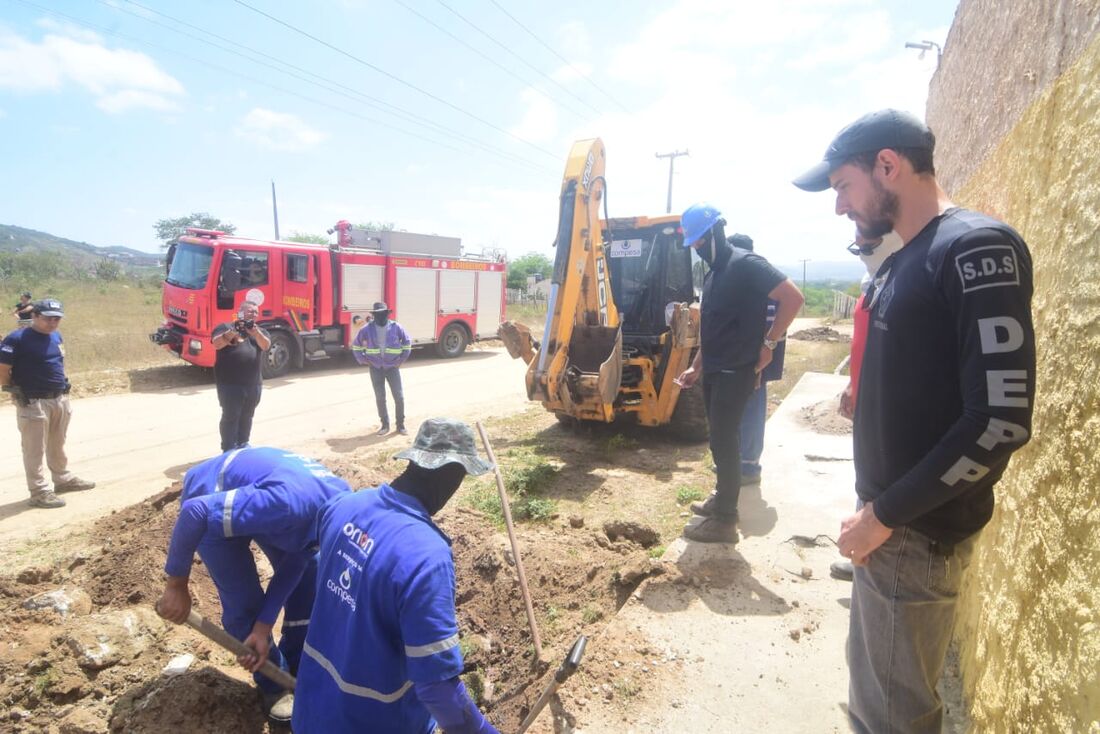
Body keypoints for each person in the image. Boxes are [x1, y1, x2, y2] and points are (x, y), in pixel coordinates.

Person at [794, 108, 1035, 734]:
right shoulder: (905, 259)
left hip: (912, 535)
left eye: (843, 186)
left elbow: (1000, 419)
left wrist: (883, 517)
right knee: (874, 703)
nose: (839, 206)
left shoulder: (974, 247)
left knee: (893, 719)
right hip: (889, 528)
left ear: (888, 165)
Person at [292, 418, 499, 734]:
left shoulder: (343, 507)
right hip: (374, 723)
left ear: (414, 460)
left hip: (311, 712)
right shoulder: (426, 557)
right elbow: (437, 689)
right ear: (454, 475)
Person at [155, 446, 351, 723]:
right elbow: (195, 512)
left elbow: (295, 563)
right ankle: (275, 685)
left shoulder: (342, 505)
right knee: (244, 603)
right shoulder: (285, 506)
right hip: (210, 500)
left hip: (262, 501)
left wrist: (264, 627)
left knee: (311, 573)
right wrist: (176, 585)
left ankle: (297, 665)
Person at [675, 205, 804, 543]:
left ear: (716, 231)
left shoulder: (746, 264)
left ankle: (725, 521)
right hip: (715, 369)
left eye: (700, 241)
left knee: (724, 440)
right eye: (693, 244)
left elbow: (792, 297)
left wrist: (769, 342)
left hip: (737, 369)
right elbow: (713, 329)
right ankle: (723, 496)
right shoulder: (713, 275)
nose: (697, 248)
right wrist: (696, 366)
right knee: (719, 440)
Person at [831, 228, 903, 582]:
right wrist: (852, 383)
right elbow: (864, 345)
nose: (862, 251)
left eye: (867, 244)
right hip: (867, 402)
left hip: (888, 413)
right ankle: (862, 549)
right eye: (857, 245)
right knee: (867, 476)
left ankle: (870, 552)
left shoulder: (902, 284)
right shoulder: (874, 283)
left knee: (881, 482)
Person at [0, 298, 95, 509]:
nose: (53, 323)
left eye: (57, 319)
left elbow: (58, 362)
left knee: (57, 444)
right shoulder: (17, 339)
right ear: (34, 316)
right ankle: (39, 491)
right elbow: (3, 369)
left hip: (59, 398)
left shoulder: (56, 336)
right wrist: (12, 390)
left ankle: (62, 479)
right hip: (33, 401)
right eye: (48, 318)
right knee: (34, 448)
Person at [730, 234, 788, 485]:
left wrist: (765, 347)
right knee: (741, 407)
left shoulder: (757, 277)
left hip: (756, 354)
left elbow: (774, 317)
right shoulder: (752, 275)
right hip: (746, 353)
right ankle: (740, 460)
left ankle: (749, 466)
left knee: (752, 405)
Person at [211, 300, 270, 452]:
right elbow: (217, 344)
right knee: (231, 415)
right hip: (229, 383)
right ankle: (228, 448)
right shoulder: (225, 327)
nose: (253, 314)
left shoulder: (260, 331)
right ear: (240, 312)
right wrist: (232, 332)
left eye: (256, 312)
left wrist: (256, 333)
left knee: (247, 415)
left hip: (253, 383)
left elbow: (266, 346)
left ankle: (243, 443)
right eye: (250, 311)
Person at [352, 301, 412, 436]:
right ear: (374, 315)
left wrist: (401, 360)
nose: (381, 316)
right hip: (375, 368)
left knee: (399, 396)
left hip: (392, 368)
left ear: (387, 313)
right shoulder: (366, 329)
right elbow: (356, 346)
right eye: (378, 314)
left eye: (383, 313)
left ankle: (400, 425)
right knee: (380, 397)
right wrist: (364, 360)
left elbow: (407, 343)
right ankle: (384, 425)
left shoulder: (396, 327)